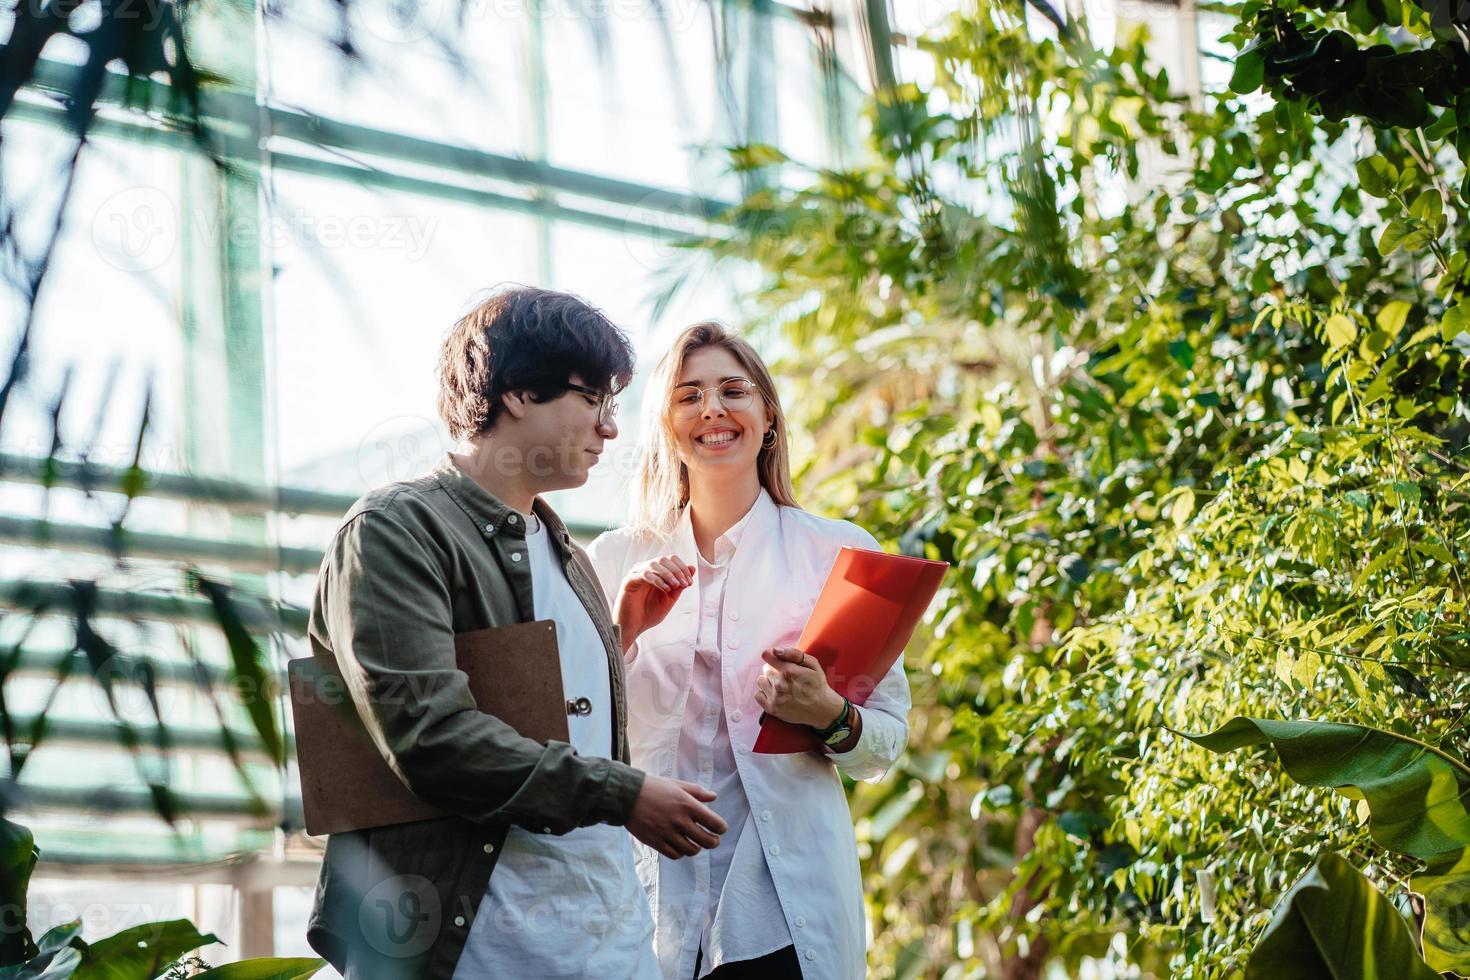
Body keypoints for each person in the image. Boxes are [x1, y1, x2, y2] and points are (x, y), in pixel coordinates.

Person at [305, 286, 728, 980]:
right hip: (475, 949)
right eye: (592, 398)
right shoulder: (394, 532)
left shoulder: (572, 557)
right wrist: (626, 793)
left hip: (608, 941)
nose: (609, 428)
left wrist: (617, 640)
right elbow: (430, 739)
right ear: (517, 394)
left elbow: (554, 721)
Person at [586, 321, 912, 980]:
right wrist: (623, 635)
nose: (712, 409)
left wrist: (828, 713)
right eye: (688, 395)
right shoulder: (614, 559)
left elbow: (887, 741)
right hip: (650, 902)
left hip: (780, 911)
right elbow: (566, 729)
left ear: (767, 416)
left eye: (732, 390)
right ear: (668, 425)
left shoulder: (841, 553)